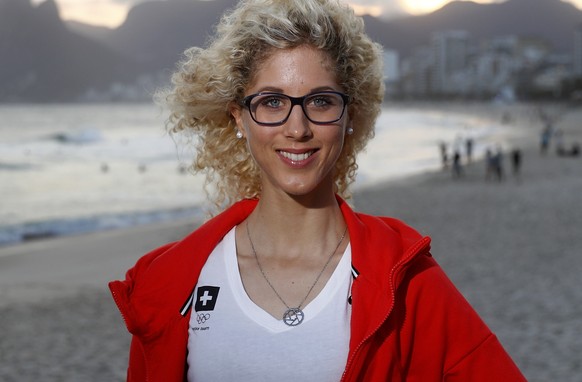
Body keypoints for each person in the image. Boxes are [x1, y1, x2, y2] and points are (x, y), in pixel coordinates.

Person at [109, 0, 526, 381]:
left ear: (350, 115)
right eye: (272, 102)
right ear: (239, 118)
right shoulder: (169, 285)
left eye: (321, 101)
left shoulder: (406, 277)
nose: (297, 128)